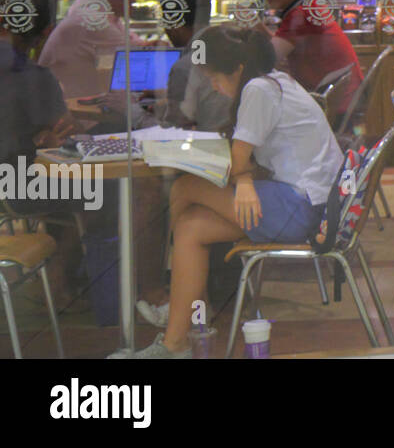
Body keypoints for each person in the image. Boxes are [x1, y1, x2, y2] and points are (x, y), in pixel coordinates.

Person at [115, 25, 344, 358]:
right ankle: (181, 327)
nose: (212, 84)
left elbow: (240, 154)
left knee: (185, 186)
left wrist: (245, 181)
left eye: (213, 76)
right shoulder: (277, 81)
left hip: (301, 207)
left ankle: (189, 307)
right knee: (191, 227)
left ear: (236, 69)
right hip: (313, 206)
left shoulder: (258, 90)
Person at [0, 0, 91, 300]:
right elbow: (65, 133)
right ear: (47, 32)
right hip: (15, 187)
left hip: (12, 181)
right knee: (97, 192)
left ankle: (58, 282)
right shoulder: (35, 77)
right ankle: (62, 283)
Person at [262, 0, 363, 120]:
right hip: (345, 98)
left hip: (334, 107)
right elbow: (280, 46)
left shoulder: (300, 16)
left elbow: (266, 59)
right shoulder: (309, 8)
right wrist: (257, 28)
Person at [38, 0, 147, 97]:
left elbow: (132, 44)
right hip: (71, 116)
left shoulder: (98, 12)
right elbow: (137, 68)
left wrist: (147, 46)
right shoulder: (92, 21)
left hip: (80, 110)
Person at [158, 0, 227, 133]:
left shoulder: (185, 66)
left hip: (208, 151)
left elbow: (172, 133)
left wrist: (132, 112)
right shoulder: (231, 46)